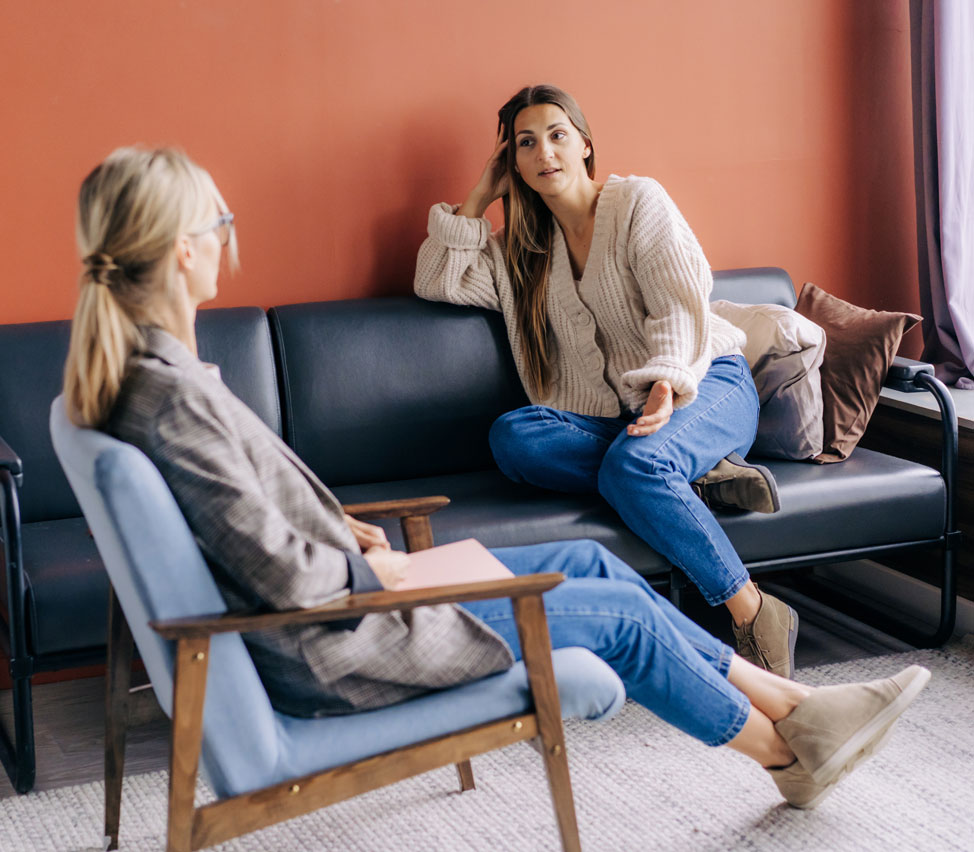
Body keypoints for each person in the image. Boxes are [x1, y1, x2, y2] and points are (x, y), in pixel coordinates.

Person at [63, 146, 928, 810]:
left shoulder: (153, 376)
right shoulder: (168, 396)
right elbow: (278, 571)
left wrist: (347, 532)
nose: (227, 242)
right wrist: (379, 569)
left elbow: (252, 523)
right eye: (220, 227)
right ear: (181, 252)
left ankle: (795, 703)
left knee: (597, 568)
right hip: (345, 636)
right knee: (621, 616)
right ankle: (788, 757)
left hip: (343, 603)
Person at [414, 84, 794, 677]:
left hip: (704, 382)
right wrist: (480, 196)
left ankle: (753, 610)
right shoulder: (520, 252)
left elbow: (679, 305)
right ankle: (695, 478)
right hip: (622, 421)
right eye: (526, 143)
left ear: (585, 144)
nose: (546, 153)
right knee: (515, 436)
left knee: (633, 465)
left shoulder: (639, 202)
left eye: (558, 135)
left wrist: (667, 381)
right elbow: (437, 279)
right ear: (512, 161)